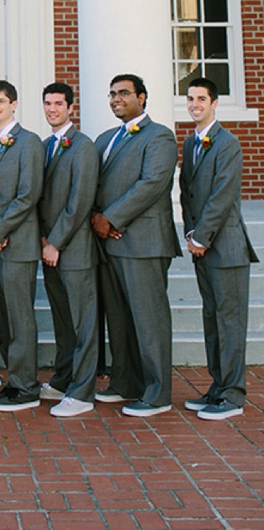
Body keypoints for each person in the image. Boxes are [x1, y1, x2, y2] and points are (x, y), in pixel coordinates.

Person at [92, 74, 179, 417]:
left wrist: (111, 218)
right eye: (112, 93)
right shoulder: (105, 138)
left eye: (124, 93)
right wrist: (95, 216)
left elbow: (152, 183)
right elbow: (93, 181)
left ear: (142, 97)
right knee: (120, 319)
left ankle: (158, 393)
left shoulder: (160, 136)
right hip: (109, 243)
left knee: (149, 319)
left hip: (143, 242)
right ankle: (126, 382)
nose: (116, 98)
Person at [180, 77, 259, 421]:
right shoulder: (189, 143)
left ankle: (233, 394)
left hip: (225, 248)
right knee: (212, 321)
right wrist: (190, 231)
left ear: (215, 104)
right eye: (190, 98)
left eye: (201, 98)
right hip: (202, 245)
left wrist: (202, 236)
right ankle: (217, 387)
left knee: (229, 322)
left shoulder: (228, 144)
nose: (195, 104)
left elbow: (222, 196)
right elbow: (187, 194)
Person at [0, 80, 44, 412]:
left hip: (17, 244)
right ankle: (13, 380)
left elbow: (28, 194)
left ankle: (27, 385)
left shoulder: (30, 142)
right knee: (4, 317)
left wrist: (1, 229)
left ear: (14, 104)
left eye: (0, 101)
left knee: (20, 316)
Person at [38, 82, 99, 417]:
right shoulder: (46, 146)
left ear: (70, 108)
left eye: (58, 104)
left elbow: (79, 202)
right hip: (48, 248)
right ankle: (63, 378)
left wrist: (56, 241)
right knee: (63, 321)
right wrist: (42, 240)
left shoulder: (83, 147)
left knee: (83, 323)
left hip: (73, 250)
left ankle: (83, 392)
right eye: (47, 104)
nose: (52, 109)